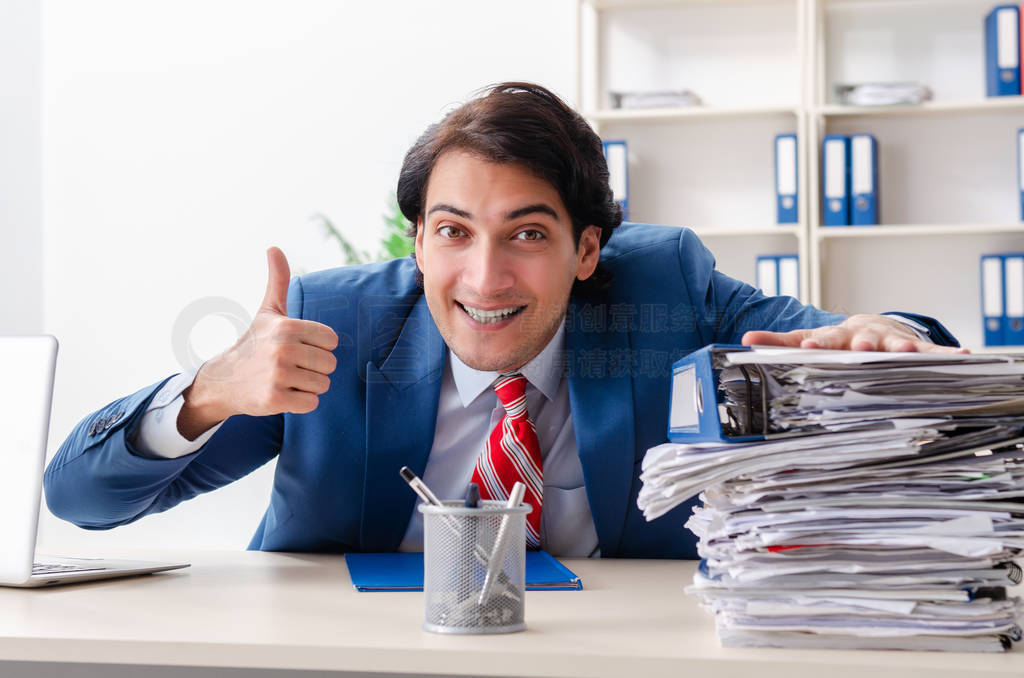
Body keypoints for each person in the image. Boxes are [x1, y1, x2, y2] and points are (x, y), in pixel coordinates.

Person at [44, 82, 962, 559]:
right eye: (453, 232)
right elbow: (79, 498)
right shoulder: (331, 327)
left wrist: (886, 338)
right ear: (417, 242)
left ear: (588, 250)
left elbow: (858, 337)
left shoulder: (665, 290)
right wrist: (207, 394)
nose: (485, 276)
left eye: (527, 233)